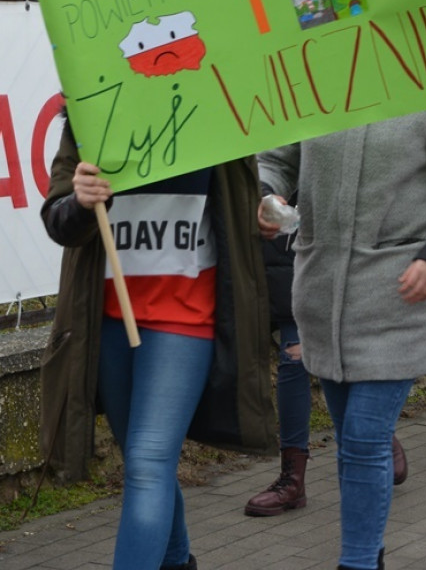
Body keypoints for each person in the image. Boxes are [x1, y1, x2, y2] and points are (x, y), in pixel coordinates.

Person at [39, 113, 276, 570]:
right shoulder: (90, 111)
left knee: (148, 463)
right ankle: (177, 561)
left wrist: (261, 208)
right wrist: (79, 203)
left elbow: (247, 193)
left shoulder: (217, 105)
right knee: (145, 466)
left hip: (185, 313)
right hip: (110, 319)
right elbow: (57, 218)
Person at [257, 106, 426, 570]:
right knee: (351, 440)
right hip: (322, 295)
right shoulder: (317, 77)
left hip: (401, 293)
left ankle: (357, 562)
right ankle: (366, 555)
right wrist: (265, 195)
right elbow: (275, 158)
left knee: (364, 438)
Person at [243, 211, 409, 518]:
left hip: (339, 248)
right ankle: (292, 478)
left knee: (345, 351)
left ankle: (377, 434)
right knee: (293, 357)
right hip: (283, 248)